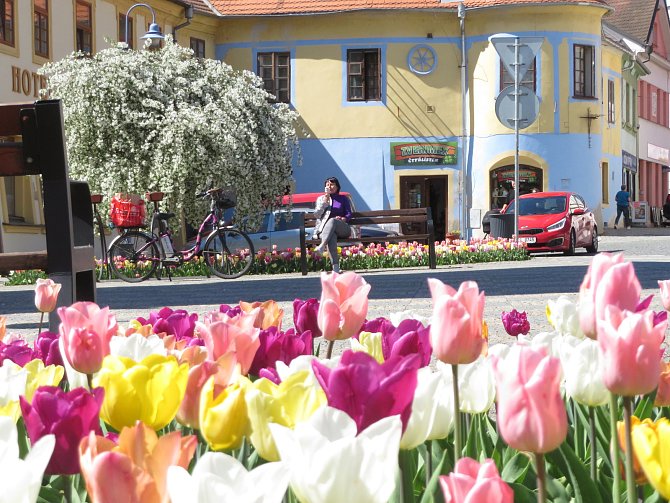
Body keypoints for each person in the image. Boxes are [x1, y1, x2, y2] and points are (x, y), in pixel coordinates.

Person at [313, 177, 352, 273]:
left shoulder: (343, 198)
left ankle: (322, 245)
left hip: (342, 228)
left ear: (337, 186)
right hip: (325, 230)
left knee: (332, 221)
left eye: (332, 184)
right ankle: (336, 268)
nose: (329, 186)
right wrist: (325, 201)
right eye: (327, 185)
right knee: (331, 237)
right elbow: (317, 215)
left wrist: (344, 218)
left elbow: (348, 213)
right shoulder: (321, 199)